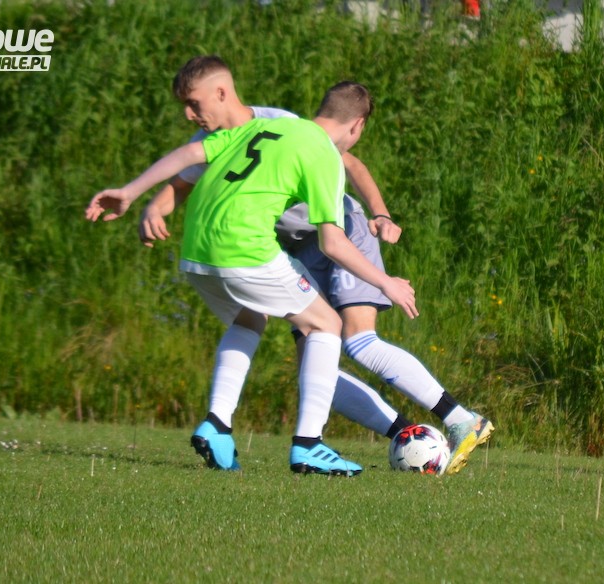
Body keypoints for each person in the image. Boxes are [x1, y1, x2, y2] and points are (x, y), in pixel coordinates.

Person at [140, 56, 493, 475]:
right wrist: (154, 207)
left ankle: (461, 419)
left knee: (358, 341)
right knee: (314, 356)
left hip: (344, 231)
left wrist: (380, 214)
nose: (190, 115)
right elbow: (183, 179)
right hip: (291, 247)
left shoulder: (282, 124)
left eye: (194, 104)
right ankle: (403, 433)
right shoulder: (218, 136)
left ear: (220, 94)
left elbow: (350, 164)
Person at [86, 81, 419, 477]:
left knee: (250, 317)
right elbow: (332, 243)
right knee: (326, 324)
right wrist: (385, 282)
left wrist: (131, 191)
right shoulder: (323, 154)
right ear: (358, 126)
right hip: (245, 248)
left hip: (196, 248)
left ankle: (217, 424)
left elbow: (190, 154)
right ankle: (309, 445)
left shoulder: (262, 126)